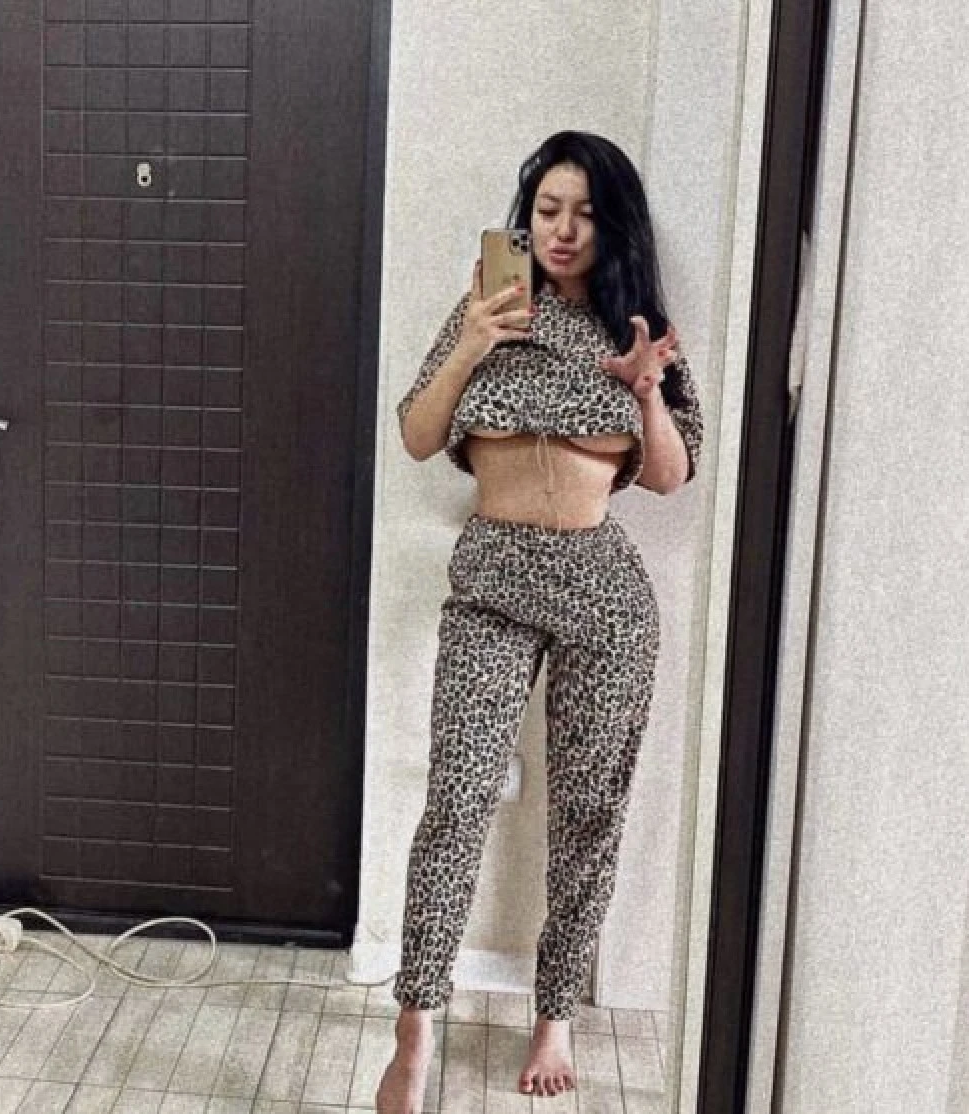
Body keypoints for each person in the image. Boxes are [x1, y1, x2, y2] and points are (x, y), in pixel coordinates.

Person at [374, 131, 703, 1112]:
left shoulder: (637, 327)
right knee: (459, 797)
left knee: (588, 812)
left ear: (614, 226)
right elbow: (418, 434)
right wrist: (474, 341)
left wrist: (644, 390)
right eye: (547, 210)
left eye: (585, 213)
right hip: (491, 581)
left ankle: (556, 1012)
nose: (563, 230)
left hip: (602, 591)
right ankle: (416, 1020)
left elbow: (672, 475)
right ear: (527, 217)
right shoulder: (489, 306)